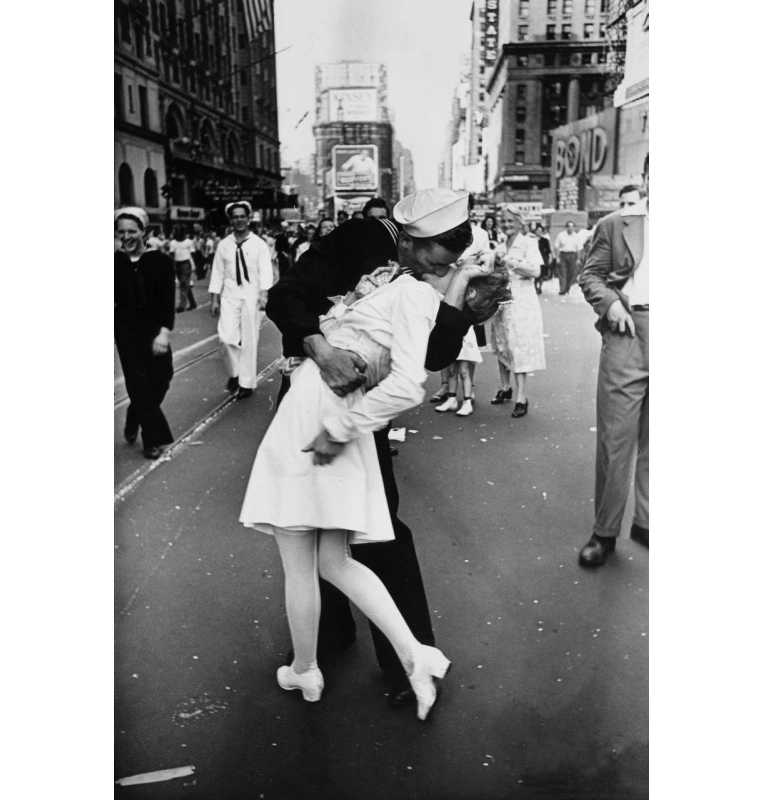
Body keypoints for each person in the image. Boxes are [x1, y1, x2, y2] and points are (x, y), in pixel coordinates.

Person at [242, 221, 507, 722]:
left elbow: (413, 377)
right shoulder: (418, 290)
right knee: (332, 560)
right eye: (442, 258)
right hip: (342, 410)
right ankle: (411, 656)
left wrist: (339, 426)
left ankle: (311, 667)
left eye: (449, 262)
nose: (439, 266)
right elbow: (426, 350)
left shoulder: (411, 291)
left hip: (321, 410)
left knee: (306, 559)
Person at [577, 154, 649, 567]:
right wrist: (609, 305)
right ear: (645, 179)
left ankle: (647, 522)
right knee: (616, 440)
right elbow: (590, 276)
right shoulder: (616, 225)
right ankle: (604, 533)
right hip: (629, 331)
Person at [114, 207, 175, 460]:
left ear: (144, 232)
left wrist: (163, 333)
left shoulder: (160, 262)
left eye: (132, 231)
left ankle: (134, 414)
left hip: (154, 330)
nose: (126, 236)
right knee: (138, 383)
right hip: (126, 331)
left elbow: (167, 300)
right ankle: (151, 440)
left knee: (162, 377)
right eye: (121, 232)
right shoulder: (114, 262)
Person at [433, 196, 495, 415]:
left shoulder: (480, 234)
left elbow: (487, 261)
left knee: (468, 348)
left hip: (470, 294)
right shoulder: (440, 232)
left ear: (470, 210)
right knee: (444, 340)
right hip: (444, 291)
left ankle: (469, 391)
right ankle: (449, 390)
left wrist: (483, 258)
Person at [209, 201, 274, 399]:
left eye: (242, 216)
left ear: (248, 218)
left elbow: (265, 271)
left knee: (249, 340)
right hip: (229, 296)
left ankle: (246, 383)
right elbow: (217, 273)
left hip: (251, 297)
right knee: (226, 338)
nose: (239, 220)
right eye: (235, 217)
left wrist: (264, 294)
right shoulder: (224, 245)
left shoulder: (259, 244)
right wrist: (214, 299)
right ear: (231, 220)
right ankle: (234, 373)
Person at [489, 205, 546, 417]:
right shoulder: (501, 245)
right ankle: (505, 388)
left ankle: (522, 397)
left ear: (520, 223)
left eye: (511, 221)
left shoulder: (529, 243)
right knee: (502, 344)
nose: (506, 225)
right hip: (502, 301)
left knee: (519, 346)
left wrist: (509, 262)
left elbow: (535, 270)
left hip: (522, 302)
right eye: (503, 221)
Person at [169, 226, 197, 312]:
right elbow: (172, 254)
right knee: (184, 284)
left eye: (180, 232)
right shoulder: (173, 242)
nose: (178, 234)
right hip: (177, 264)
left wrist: (194, 266)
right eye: (176, 232)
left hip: (186, 264)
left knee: (183, 284)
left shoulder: (189, 242)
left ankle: (182, 306)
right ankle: (192, 303)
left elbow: (193, 254)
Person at [554, 221, 581, 295]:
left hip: (572, 255)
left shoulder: (576, 236)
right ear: (566, 227)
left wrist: (578, 258)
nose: (571, 228)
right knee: (562, 272)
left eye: (572, 226)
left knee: (571, 273)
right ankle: (562, 289)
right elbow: (556, 246)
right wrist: (557, 257)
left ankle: (567, 287)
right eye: (569, 226)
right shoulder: (561, 235)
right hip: (563, 255)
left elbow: (579, 248)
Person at [533, 225, 552, 295]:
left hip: (542, 258)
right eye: (538, 230)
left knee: (541, 274)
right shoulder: (532, 239)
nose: (539, 232)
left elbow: (548, 250)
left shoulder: (545, 240)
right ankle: (535, 287)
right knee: (535, 273)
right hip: (533, 258)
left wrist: (549, 258)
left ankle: (540, 287)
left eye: (540, 231)